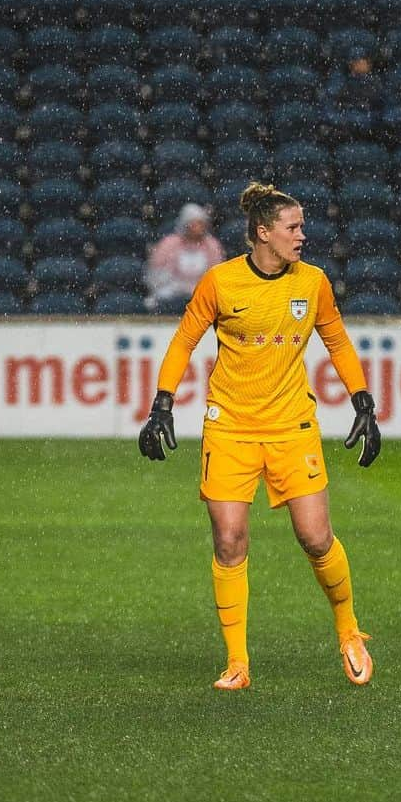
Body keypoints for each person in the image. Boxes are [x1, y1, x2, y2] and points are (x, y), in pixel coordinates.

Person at [138, 183, 381, 691]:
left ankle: (348, 630)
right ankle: (237, 664)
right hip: (229, 427)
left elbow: (335, 339)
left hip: (292, 426)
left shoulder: (313, 283)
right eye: (293, 227)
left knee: (315, 538)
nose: (302, 235)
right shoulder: (220, 283)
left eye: (302, 226)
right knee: (229, 540)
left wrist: (363, 401)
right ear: (264, 233)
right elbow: (185, 339)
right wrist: (162, 402)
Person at [144, 202, 225, 313]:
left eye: (201, 223)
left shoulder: (212, 246)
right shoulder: (169, 244)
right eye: (195, 223)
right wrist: (179, 287)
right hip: (173, 292)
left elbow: (217, 277)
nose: (199, 227)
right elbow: (156, 277)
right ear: (186, 224)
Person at [322, 45, 383, 137]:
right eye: (360, 60)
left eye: (365, 60)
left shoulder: (375, 82)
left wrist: (367, 120)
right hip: (342, 129)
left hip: (369, 130)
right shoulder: (339, 80)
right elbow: (329, 106)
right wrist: (343, 120)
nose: (363, 63)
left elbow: (382, 108)